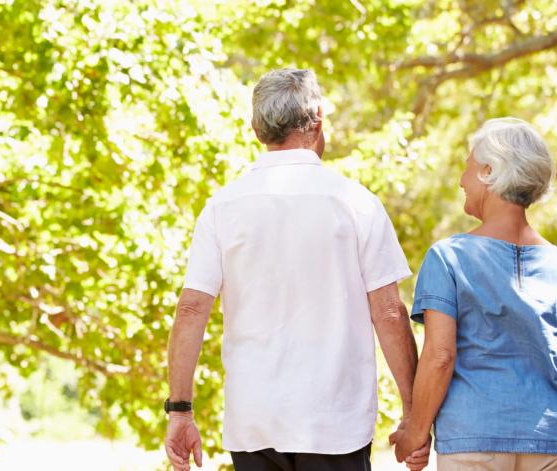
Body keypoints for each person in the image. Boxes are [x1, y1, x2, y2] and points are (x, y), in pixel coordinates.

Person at [163, 67, 428, 471]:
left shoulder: (222, 207)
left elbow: (190, 310)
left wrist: (180, 411)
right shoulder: (356, 203)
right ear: (318, 120)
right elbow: (389, 312)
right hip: (334, 423)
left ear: (256, 129)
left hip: (254, 422)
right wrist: (413, 414)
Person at [391, 118, 557, 470]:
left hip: (473, 441)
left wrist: (415, 433)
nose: (462, 180)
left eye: (468, 167)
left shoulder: (449, 257)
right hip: (549, 444)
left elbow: (440, 356)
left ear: (489, 171)